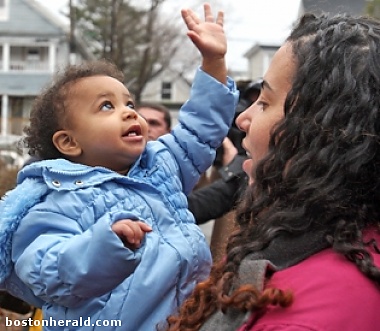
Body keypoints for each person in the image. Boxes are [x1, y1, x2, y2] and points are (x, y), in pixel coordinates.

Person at [0, 4, 239, 331]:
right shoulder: (55, 203)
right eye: (107, 106)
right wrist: (105, 246)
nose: (129, 112)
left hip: (189, 320)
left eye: (128, 103)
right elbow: (47, 274)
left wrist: (214, 63)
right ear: (69, 142)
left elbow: (200, 129)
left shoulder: (161, 166)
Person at [163, 12, 380, 331]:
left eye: (265, 102)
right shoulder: (294, 237)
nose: (242, 119)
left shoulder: (305, 317)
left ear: (327, 131)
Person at [137, 102, 247, 225]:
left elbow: (192, 208)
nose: (145, 127)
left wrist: (231, 172)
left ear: (169, 132)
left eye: (154, 123)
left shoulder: (186, 169)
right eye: (139, 120)